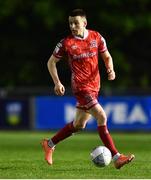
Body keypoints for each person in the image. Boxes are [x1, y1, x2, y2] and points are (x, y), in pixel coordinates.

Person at [41, 8, 135, 169]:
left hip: (94, 87)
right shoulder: (66, 43)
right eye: (70, 23)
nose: (72, 26)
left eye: (76, 23)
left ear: (84, 23)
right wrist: (57, 82)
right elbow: (51, 62)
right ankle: (117, 157)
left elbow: (107, 56)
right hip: (81, 87)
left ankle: (49, 144)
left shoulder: (96, 37)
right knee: (102, 117)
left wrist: (110, 69)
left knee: (79, 125)